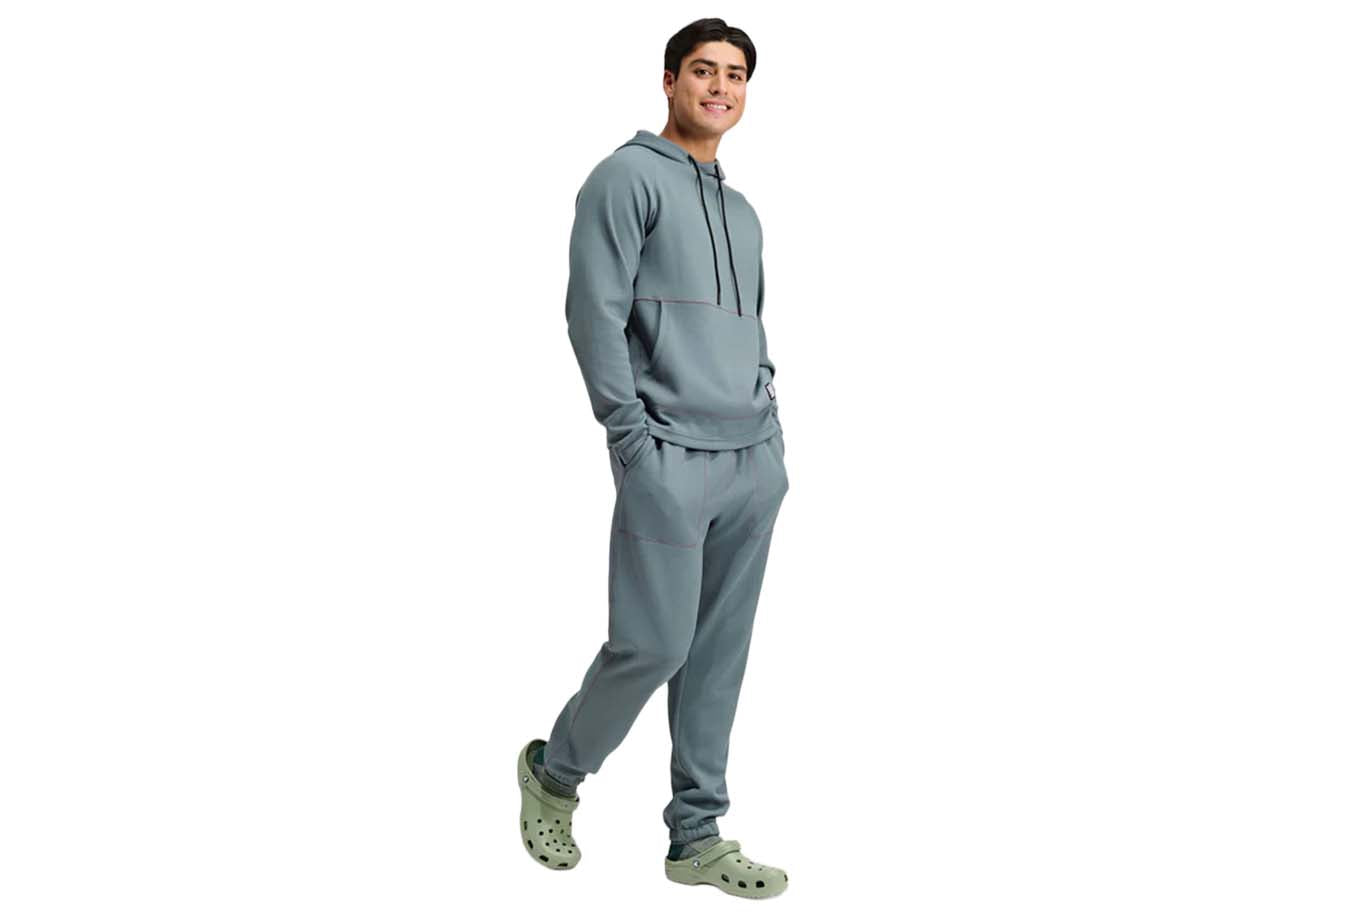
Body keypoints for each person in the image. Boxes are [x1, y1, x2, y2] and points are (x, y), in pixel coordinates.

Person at [516, 18, 790, 899]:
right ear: (670, 81)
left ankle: (696, 836)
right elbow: (592, 314)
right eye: (704, 71)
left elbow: (751, 327)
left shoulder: (743, 213)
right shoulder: (625, 178)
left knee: (717, 656)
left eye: (736, 75)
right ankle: (555, 775)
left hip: (751, 460)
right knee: (653, 645)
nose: (720, 87)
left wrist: (769, 423)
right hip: (666, 455)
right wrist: (629, 435)